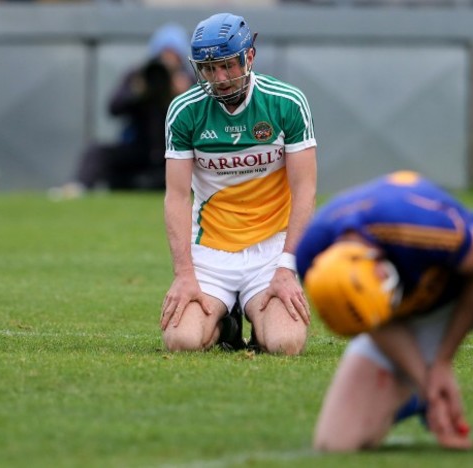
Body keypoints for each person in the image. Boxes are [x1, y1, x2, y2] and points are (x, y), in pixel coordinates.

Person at [296, 170, 473, 458]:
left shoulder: (414, 223)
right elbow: (376, 322)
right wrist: (426, 382)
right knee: (335, 443)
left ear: (378, 261)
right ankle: (414, 398)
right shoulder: (312, 258)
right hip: (410, 320)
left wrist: (442, 361)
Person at [159, 13, 317, 356]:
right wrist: (184, 273)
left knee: (285, 344)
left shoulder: (286, 102)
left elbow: (305, 191)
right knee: (181, 342)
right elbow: (176, 196)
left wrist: (287, 268)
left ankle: (257, 318)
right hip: (210, 250)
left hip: (271, 250)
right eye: (208, 68)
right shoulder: (184, 110)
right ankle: (227, 323)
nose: (220, 78)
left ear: (250, 56)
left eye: (228, 65)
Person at [49, 23, 194, 200]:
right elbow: (113, 108)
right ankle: (76, 188)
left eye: (173, 57)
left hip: (173, 150)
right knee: (97, 152)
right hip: (139, 148)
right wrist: (137, 92)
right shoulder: (138, 76)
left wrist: (184, 94)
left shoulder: (188, 80)